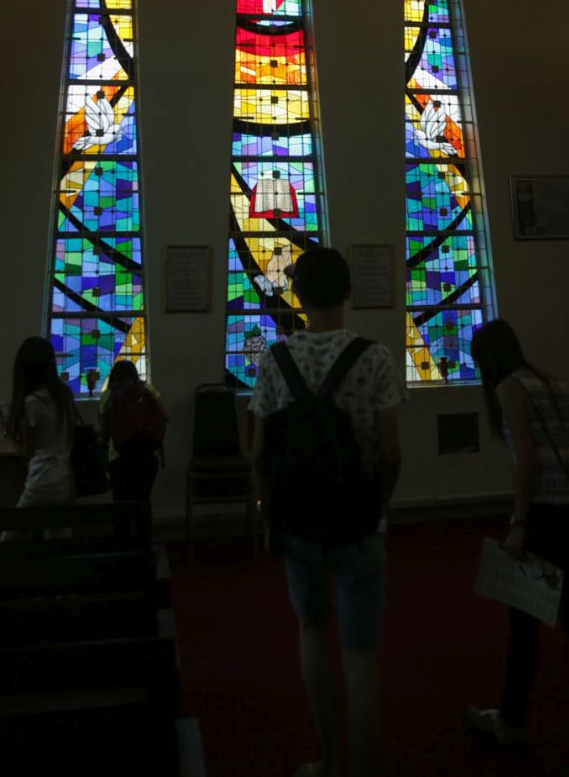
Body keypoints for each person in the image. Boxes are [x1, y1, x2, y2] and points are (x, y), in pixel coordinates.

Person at [250, 247, 403, 777]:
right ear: (349, 292)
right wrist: (379, 505)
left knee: (313, 633)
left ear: (299, 295)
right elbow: (390, 452)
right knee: (360, 659)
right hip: (359, 521)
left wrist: (269, 516)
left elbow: (259, 454)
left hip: (299, 525)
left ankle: (329, 758)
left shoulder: (275, 360)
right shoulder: (376, 357)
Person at [465, 319, 569, 773]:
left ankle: (512, 723)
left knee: (523, 631)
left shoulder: (509, 388)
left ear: (487, 358)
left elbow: (528, 460)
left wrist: (519, 522)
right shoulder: (552, 382)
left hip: (544, 520)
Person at [0, 335, 76, 540]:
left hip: (42, 480)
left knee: (9, 540)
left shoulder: (32, 403)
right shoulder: (63, 395)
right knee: (59, 541)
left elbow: (26, 451)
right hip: (66, 478)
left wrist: (5, 430)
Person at [99, 358, 165, 502]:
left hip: (117, 456)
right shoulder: (148, 389)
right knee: (143, 502)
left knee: (121, 504)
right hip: (147, 455)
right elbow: (164, 416)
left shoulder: (108, 395)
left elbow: (105, 430)